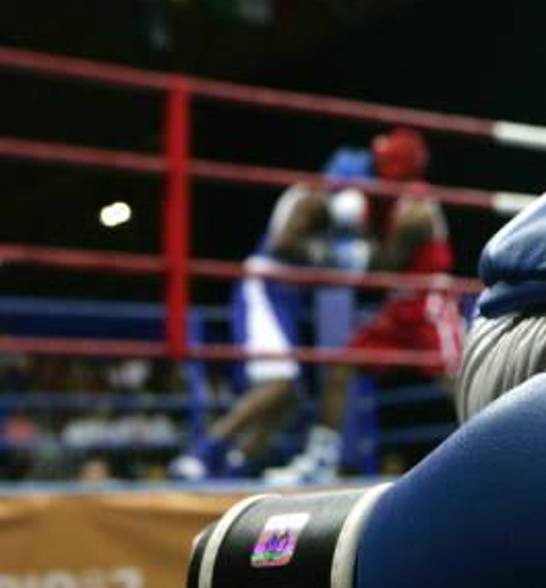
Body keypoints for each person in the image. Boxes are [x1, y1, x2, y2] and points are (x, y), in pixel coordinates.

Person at [266, 128, 462, 484]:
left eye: (380, 160)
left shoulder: (415, 211)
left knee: (458, 378)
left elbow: (384, 266)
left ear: (393, 166)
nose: (372, 165)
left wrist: (347, 250)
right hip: (398, 305)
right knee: (342, 366)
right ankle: (320, 462)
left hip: (429, 303)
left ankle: (502, 444)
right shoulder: (382, 200)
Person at [170, 180, 370, 480]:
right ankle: (199, 456)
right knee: (279, 383)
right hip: (265, 290)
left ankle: (235, 467)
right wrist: (329, 256)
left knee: (290, 397)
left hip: (283, 297)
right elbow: (282, 242)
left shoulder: (319, 212)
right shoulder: (311, 200)